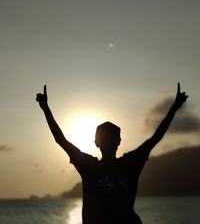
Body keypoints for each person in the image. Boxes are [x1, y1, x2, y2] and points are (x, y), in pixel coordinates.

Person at [36, 83, 188, 224]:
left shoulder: (93, 165)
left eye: (110, 137)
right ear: (118, 141)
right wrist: (174, 107)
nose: (108, 141)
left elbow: (60, 140)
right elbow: (156, 137)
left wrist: (45, 108)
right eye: (106, 138)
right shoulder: (126, 162)